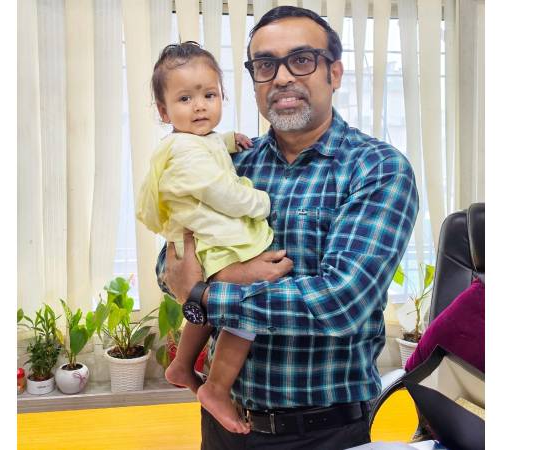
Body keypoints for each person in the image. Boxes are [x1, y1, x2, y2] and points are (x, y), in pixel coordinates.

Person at [159, 6, 419, 450]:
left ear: (334, 73)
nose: (281, 77)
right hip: (224, 427)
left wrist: (204, 294)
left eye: (301, 60)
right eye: (265, 65)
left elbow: (340, 302)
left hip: (322, 433)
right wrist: (213, 281)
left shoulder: (376, 168)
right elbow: (170, 263)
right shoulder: (232, 162)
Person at [137, 41, 292, 434]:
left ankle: (181, 364)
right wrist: (260, 203)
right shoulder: (186, 153)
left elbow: (208, 148)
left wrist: (228, 140)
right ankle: (218, 387)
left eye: (209, 95)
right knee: (249, 301)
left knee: (208, 299)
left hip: (204, 240)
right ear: (163, 111)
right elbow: (221, 192)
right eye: (185, 99)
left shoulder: (194, 141)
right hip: (211, 240)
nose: (200, 107)